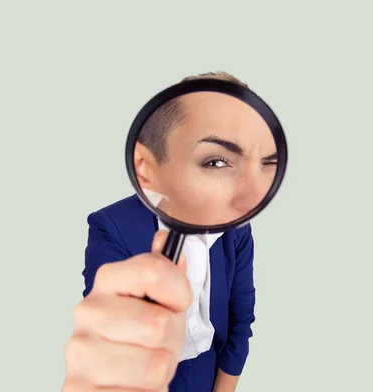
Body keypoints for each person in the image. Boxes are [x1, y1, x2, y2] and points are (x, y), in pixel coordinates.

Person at [62, 71, 277, 391]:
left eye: (260, 163)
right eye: (217, 161)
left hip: (212, 373)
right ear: (149, 166)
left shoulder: (236, 229)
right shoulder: (111, 227)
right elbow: (111, 334)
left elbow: (240, 324)